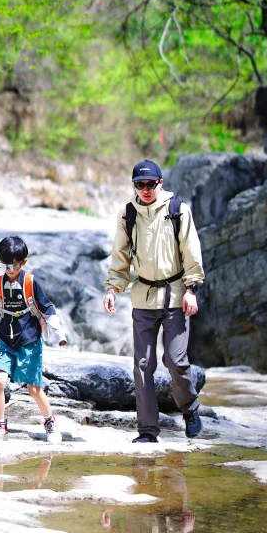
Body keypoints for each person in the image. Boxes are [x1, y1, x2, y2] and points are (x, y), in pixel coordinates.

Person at [102, 159, 205, 444]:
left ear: (160, 183)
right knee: (142, 364)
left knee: (175, 360)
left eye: (150, 184)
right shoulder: (127, 214)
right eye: (140, 184)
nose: (145, 189)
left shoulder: (178, 210)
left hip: (175, 296)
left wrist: (191, 289)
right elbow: (120, 256)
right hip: (143, 298)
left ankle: (190, 409)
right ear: (134, 186)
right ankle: (147, 430)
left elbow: (191, 251)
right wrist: (112, 289)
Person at [0, 234, 66, 444]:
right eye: (4, 264)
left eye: (14, 265)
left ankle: (50, 422)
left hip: (30, 342)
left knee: (34, 389)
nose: (9, 269)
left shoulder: (30, 282)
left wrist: (59, 334)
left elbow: (48, 308)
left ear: (24, 262)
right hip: (6, 341)